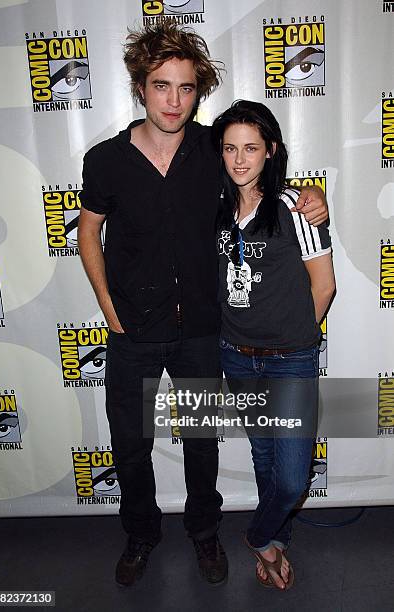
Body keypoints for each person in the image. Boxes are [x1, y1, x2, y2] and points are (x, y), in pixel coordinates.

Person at [77, 22, 328, 588]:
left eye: (185, 88)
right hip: (131, 330)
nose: (173, 99)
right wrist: (104, 301)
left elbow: (266, 171)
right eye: (161, 85)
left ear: (199, 91)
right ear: (140, 87)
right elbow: (88, 232)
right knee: (131, 443)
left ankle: (204, 532)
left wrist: (317, 196)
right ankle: (140, 533)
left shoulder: (216, 149)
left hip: (200, 333)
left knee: (200, 441)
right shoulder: (106, 160)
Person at [212, 100, 335, 590]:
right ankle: (274, 544)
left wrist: (295, 339)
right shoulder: (216, 209)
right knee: (263, 457)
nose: (240, 159)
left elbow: (323, 287)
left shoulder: (293, 208)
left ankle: (257, 534)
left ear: (271, 151)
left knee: (291, 478)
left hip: (290, 361)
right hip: (235, 356)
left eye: (251, 148)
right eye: (230, 148)